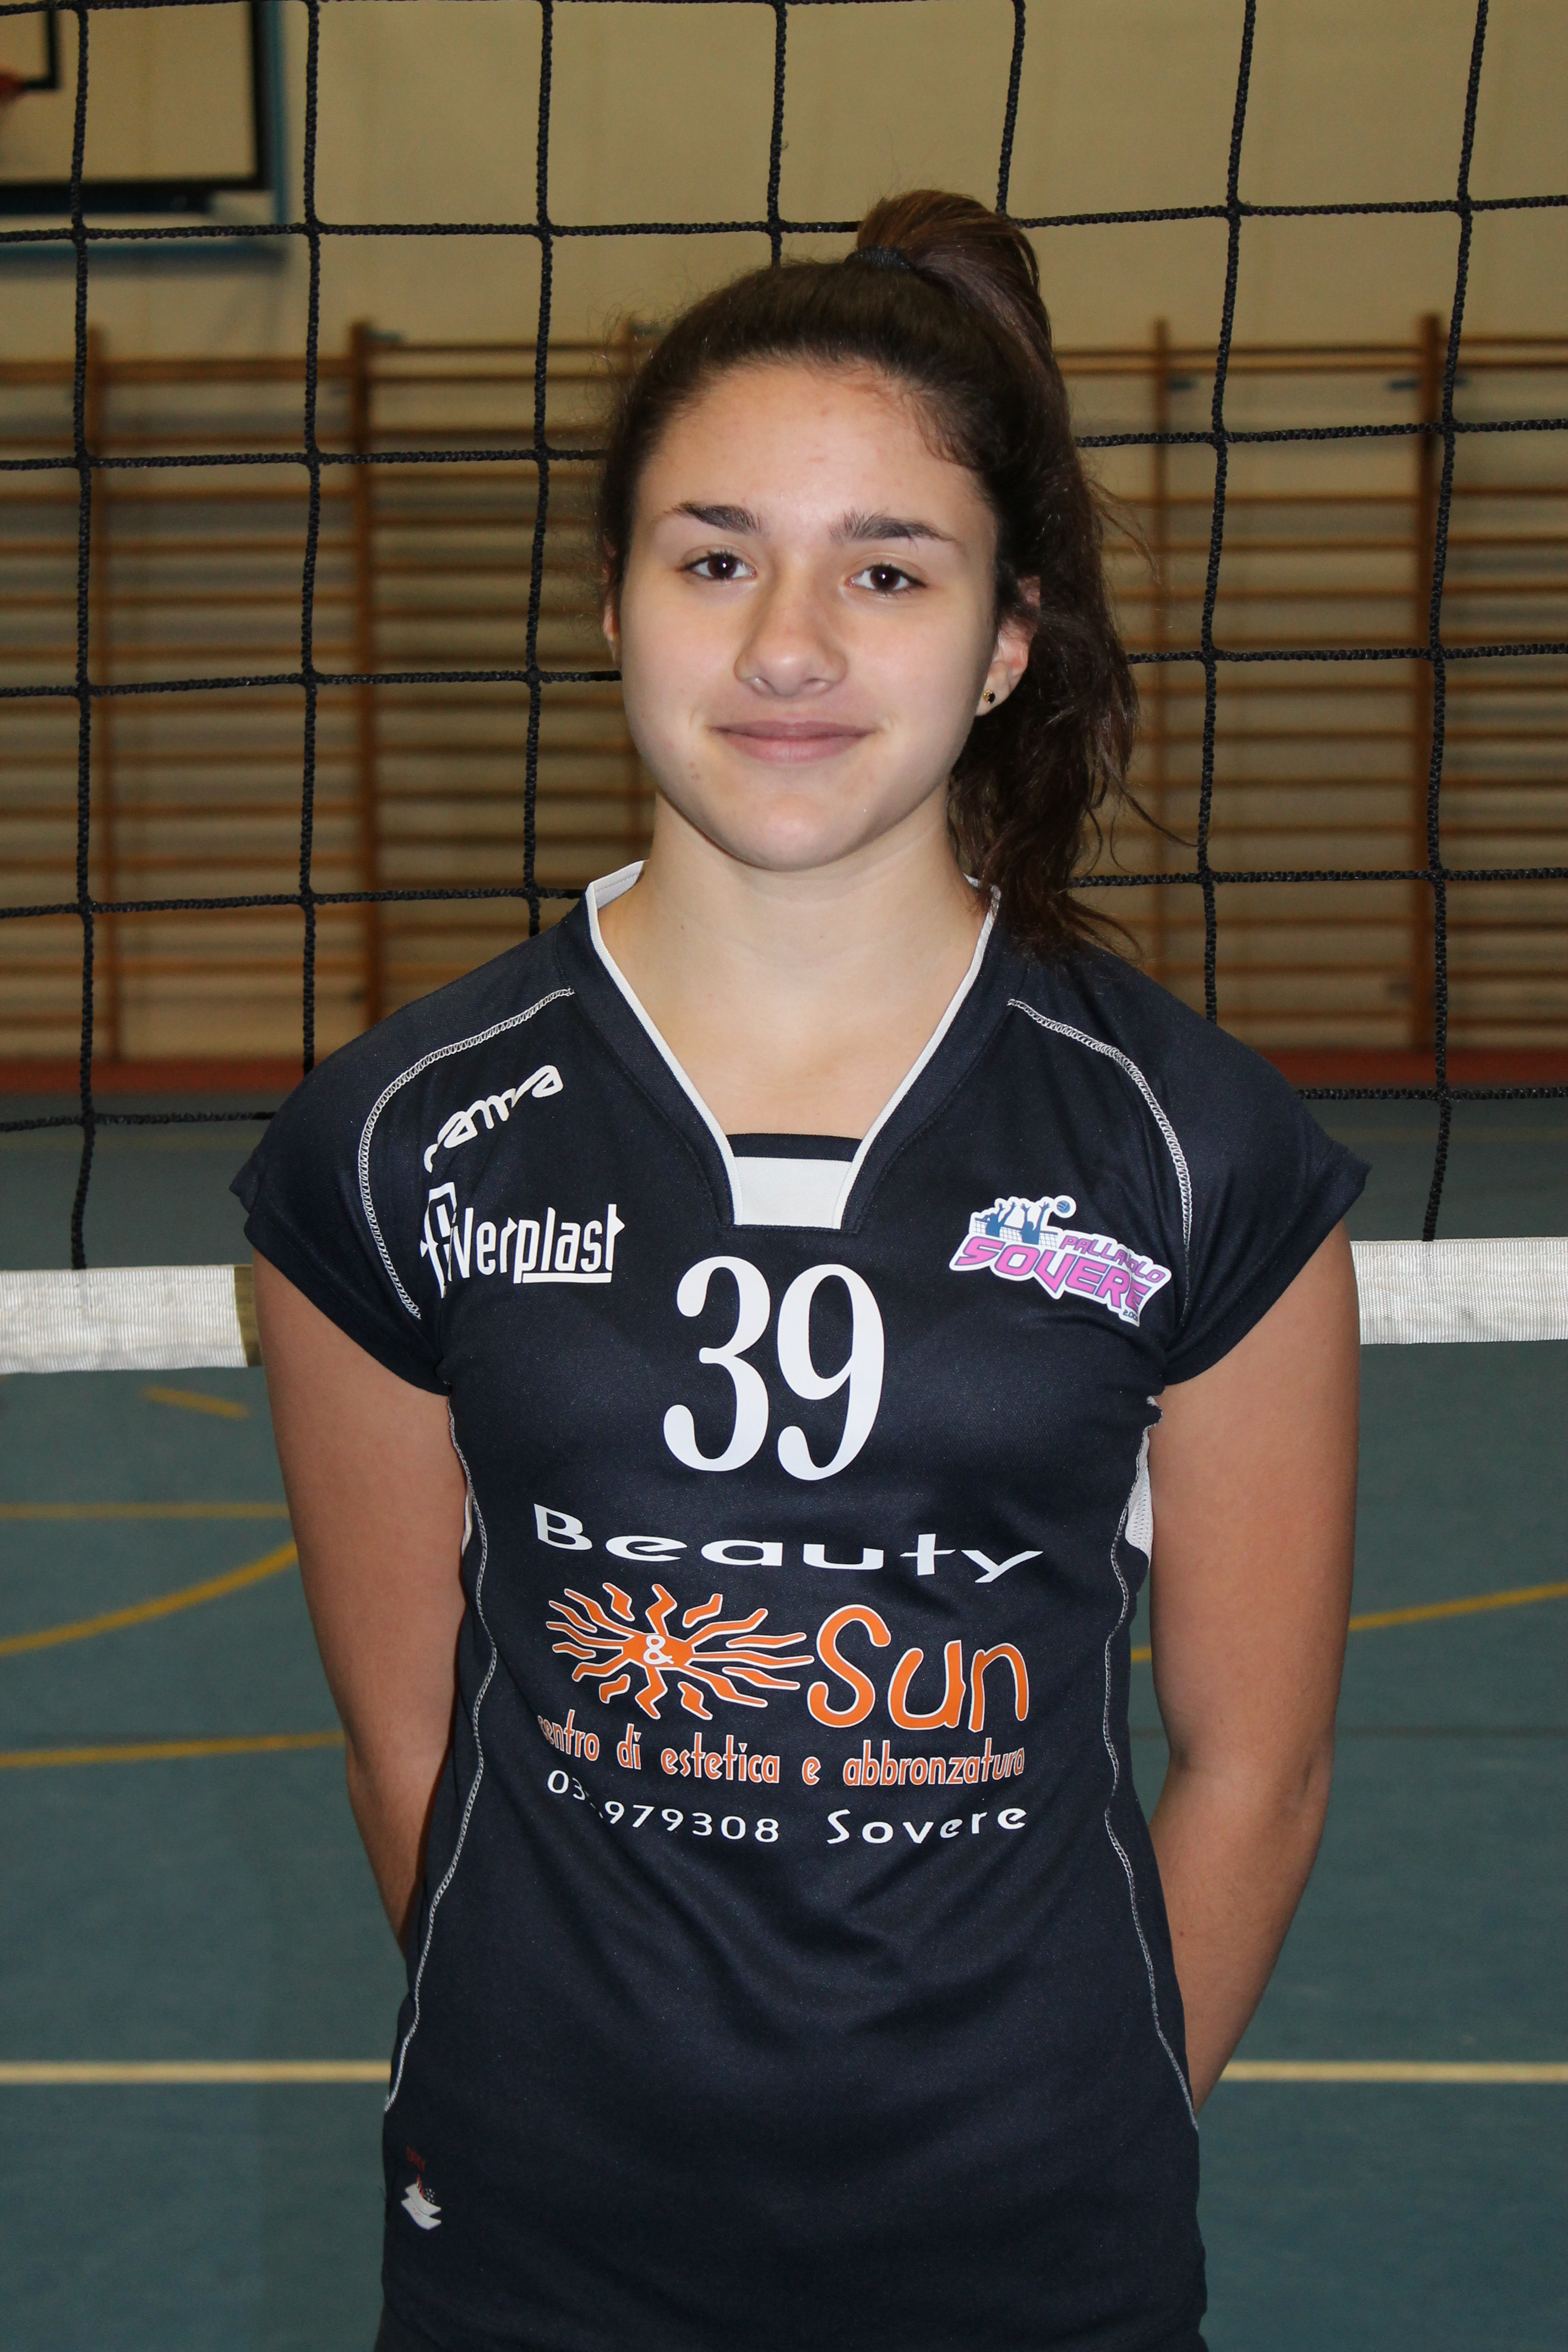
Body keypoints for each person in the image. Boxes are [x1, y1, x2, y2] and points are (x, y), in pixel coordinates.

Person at [237, 190, 1364, 2352]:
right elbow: (410, 1744)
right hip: (540, 2240)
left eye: (888, 570)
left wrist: (1091, 2128)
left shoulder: (1192, 1144)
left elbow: (1260, 1769)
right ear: (611, 601)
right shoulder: (391, 1143)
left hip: (1034, 2240)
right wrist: (572, 2102)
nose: (788, 646)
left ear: (1007, 638)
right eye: (716, 557)